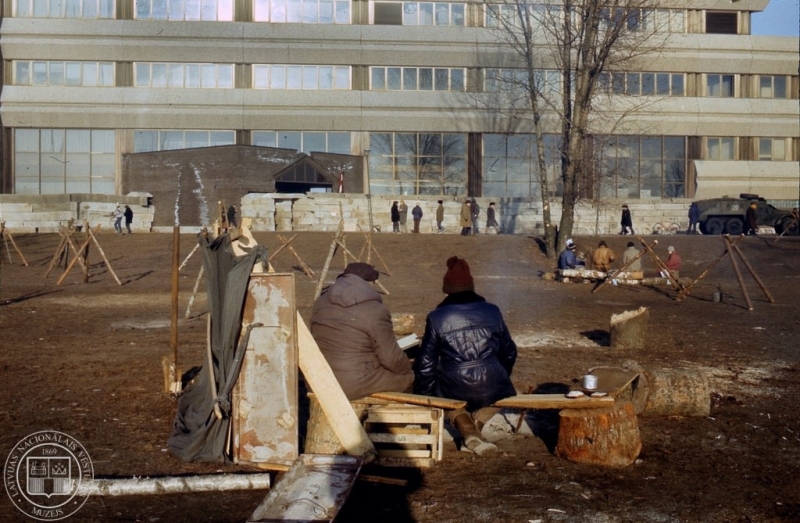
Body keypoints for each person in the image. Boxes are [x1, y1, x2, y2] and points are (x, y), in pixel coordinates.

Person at [414, 256, 517, 456]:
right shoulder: (493, 311)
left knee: (440, 391)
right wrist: (500, 375)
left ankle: (468, 430)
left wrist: (425, 395)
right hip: (491, 381)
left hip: (455, 384)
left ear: (447, 289)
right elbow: (510, 352)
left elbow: (425, 364)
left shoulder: (436, 317)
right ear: (471, 286)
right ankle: (475, 428)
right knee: (509, 391)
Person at [310, 262, 414, 400]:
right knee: (407, 379)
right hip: (353, 384)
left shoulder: (320, 302)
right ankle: (388, 420)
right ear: (368, 283)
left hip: (320, 380)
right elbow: (391, 358)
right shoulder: (374, 310)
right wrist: (407, 368)